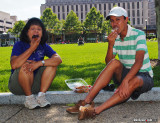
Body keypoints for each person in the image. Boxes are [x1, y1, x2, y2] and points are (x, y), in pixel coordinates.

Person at [66, 7, 154, 120]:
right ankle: (85, 102)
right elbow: (108, 64)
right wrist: (111, 44)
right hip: (125, 72)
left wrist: (126, 81)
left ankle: (95, 111)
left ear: (126, 19)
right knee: (114, 62)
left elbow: (139, 62)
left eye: (118, 20)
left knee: (134, 80)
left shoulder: (139, 34)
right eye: (112, 21)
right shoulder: (115, 37)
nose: (114, 24)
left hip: (143, 74)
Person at [8, 17, 62, 109]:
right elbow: (14, 64)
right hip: (17, 85)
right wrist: (32, 48)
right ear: (27, 32)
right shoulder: (19, 44)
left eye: (39, 29)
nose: (36, 31)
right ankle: (29, 99)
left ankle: (41, 97)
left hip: (35, 84)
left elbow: (58, 59)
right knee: (26, 65)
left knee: (52, 65)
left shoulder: (43, 46)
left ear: (42, 33)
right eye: (33, 29)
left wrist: (39, 63)